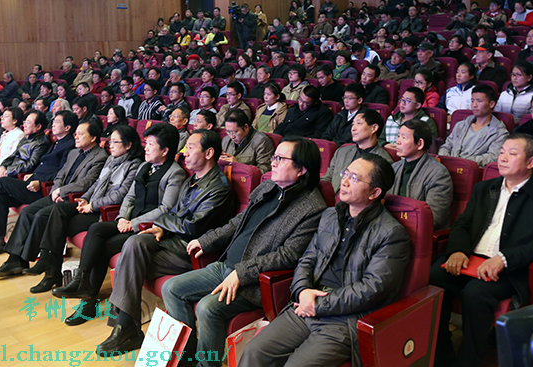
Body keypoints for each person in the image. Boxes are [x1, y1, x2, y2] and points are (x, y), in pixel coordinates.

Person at [163, 137, 327, 367]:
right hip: (225, 266)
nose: (273, 162)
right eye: (274, 157)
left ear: (302, 169)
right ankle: (187, 358)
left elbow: (288, 255)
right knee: (171, 288)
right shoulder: (268, 187)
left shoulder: (312, 208)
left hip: (253, 282)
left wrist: (242, 273)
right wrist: (206, 240)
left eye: (280, 159)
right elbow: (238, 222)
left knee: (208, 308)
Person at [237, 153, 409, 367]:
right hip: (307, 303)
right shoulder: (330, 216)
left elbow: (371, 289)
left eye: (354, 178)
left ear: (374, 192)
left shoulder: (390, 233)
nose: (344, 182)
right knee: (253, 351)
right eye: (345, 174)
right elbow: (307, 259)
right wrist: (302, 290)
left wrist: (318, 304)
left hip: (344, 318)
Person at [93, 129, 235, 356]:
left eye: (190, 147)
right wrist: (162, 226)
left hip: (192, 251)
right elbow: (176, 215)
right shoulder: (192, 180)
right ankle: (125, 326)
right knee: (133, 244)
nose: (184, 153)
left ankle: (126, 327)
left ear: (209, 153)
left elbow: (192, 226)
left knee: (129, 263)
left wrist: (162, 222)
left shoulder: (219, 187)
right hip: (172, 241)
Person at [430, 134, 533, 367]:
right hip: (470, 259)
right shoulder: (484, 188)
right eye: (501, 152)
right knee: (434, 277)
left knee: (475, 293)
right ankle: (442, 353)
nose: (502, 158)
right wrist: (457, 251)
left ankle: (469, 361)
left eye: (512, 154)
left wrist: (504, 258)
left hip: (509, 268)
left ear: (531, 162)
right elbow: (462, 224)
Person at [51, 123, 187, 324]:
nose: (146, 148)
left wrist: (133, 223)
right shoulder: (144, 166)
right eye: (146, 143)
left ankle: (88, 302)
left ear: (165, 150)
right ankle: (82, 281)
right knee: (97, 229)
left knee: (103, 246)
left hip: (146, 228)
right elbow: (130, 197)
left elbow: (166, 209)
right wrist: (122, 217)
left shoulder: (175, 173)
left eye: (151, 144)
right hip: (128, 221)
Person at [22, 124, 144, 293]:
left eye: (115, 142)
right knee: (56, 211)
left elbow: (120, 195)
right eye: (110, 141)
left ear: (128, 145)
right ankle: (46, 259)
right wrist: (85, 198)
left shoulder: (134, 165)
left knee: (57, 225)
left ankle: (52, 272)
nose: (111, 145)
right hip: (91, 203)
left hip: (105, 211)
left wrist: (91, 205)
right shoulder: (111, 159)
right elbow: (97, 184)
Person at [0, 122, 109, 278]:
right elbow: (60, 175)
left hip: (75, 198)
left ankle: (27, 259)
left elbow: (87, 182)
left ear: (93, 137)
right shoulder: (74, 152)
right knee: (26, 212)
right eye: (76, 133)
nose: (76, 137)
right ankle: (15, 260)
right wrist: (55, 190)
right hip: (57, 194)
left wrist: (62, 191)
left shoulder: (100, 156)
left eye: (81, 134)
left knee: (40, 215)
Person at [0, 111, 78, 258]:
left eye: (57, 122)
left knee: (2, 182)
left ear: (67, 127)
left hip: (42, 189)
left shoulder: (69, 145)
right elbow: (43, 165)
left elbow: (62, 171)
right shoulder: (57, 143)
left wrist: (40, 181)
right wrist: (30, 174)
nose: (53, 125)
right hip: (31, 181)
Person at [388, 119, 453, 230]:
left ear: (420, 144)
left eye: (404, 137)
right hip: (391, 228)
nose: (397, 141)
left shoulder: (438, 174)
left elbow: (433, 218)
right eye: (398, 136)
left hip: (416, 231)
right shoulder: (394, 167)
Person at [438, 84, 509, 168]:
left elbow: (492, 157)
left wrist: (462, 162)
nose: (474, 105)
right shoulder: (461, 125)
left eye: (479, 101)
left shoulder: (499, 132)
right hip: (449, 167)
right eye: (472, 101)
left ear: (491, 104)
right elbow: (446, 147)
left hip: (472, 170)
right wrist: (448, 160)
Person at [322, 108, 393, 192]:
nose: (353, 128)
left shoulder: (384, 160)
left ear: (374, 128)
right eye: (353, 124)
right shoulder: (341, 152)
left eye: (359, 123)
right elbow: (326, 179)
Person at [220, 109, 275, 174]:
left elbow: (264, 172)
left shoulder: (262, 142)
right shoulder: (226, 140)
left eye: (235, 132)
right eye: (228, 132)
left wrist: (238, 166)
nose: (232, 136)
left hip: (245, 179)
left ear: (246, 127)